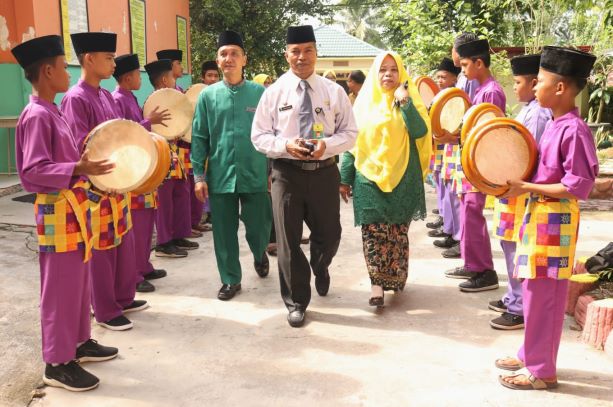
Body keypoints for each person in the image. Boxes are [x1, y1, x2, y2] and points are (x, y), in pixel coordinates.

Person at [13, 34, 118, 392]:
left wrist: (82, 169)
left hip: (73, 209)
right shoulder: (36, 115)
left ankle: (78, 343)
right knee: (59, 289)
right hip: (56, 212)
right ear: (46, 71)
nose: (68, 74)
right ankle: (56, 362)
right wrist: (79, 168)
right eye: (62, 67)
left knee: (78, 282)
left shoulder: (52, 109)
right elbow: (32, 171)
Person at [497, 46, 598, 391]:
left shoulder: (574, 129)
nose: (534, 87)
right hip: (540, 215)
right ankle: (531, 354)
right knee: (533, 289)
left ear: (560, 88)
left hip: (555, 220)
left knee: (545, 295)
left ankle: (542, 371)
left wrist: (525, 185)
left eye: (539, 81)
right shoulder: (556, 124)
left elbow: (577, 185)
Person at [251, 25, 357, 327]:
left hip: (325, 174)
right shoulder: (273, 94)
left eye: (307, 50)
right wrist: (285, 144)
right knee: (288, 242)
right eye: (295, 51)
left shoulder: (333, 91)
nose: (301, 57)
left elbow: (350, 133)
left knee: (330, 234)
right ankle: (297, 301)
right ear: (286, 55)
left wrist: (327, 145)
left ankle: (321, 266)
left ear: (315, 52)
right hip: (286, 174)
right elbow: (258, 136)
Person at [61, 32, 146, 331]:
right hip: (94, 185)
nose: (113, 63)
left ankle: (122, 297)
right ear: (89, 59)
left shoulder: (106, 95)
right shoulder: (75, 98)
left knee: (121, 239)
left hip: (115, 180)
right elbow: (80, 144)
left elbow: (119, 133)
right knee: (101, 248)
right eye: (108, 58)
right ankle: (106, 309)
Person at [340, 52, 431, 306]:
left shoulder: (409, 100)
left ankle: (394, 278)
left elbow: (420, 131)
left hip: (403, 177)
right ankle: (376, 285)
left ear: (401, 73)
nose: (388, 74)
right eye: (382, 69)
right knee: (373, 231)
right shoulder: (363, 105)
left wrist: (405, 104)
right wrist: (344, 179)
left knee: (396, 233)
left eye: (393, 69)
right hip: (367, 176)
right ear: (374, 74)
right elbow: (351, 146)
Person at [191, 31, 271, 301]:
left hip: (256, 173)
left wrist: (272, 171)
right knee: (224, 232)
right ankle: (230, 279)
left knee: (259, 227)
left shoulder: (260, 93)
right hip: (221, 175)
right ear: (217, 59)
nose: (229, 58)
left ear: (244, 59)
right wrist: (199, 176)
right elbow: (200, 137)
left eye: (234, 53)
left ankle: (260, 252)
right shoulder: (207, 96)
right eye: (224, 54)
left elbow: (272, 133)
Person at [488, 54, 552, 330]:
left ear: (535, 82)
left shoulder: (538, 113)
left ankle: (520, 307)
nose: (513, 87)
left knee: (516, 248)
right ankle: (514, 296)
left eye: (517, 82)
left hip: (521, 190)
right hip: (513, 188)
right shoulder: (528, 108)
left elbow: (528, 156)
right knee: (509, 244)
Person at [443, 38, 506, 293]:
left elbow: (490, 132)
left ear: (479, 63)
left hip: (480, 160)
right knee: (467, 213)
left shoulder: (491, 91)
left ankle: (484, 270)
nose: (464, 70)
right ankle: (473, 263)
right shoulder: (481, 89)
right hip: (471, 158)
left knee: (472, 213)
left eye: (467, 65)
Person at [112, 53, 170, 293]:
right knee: (137, 224)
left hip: (142, 167)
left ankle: (144, 265)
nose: (140, 78)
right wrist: (149, 121)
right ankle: (134, 274)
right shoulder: (118, 99)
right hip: (131, 169)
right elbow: (125, 133)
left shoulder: (130, 97)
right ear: (127, 77)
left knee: (146, 220)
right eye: (137, 74)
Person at [145, 59, 200, 257]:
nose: (172, 80)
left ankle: (177, 234)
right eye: (169, 76)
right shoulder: (154, 101)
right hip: (162, 152)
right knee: (165, 199)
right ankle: (163, 242)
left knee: (180, 193)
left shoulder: (172, 97)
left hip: (175, 151)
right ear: (163, 80)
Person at [434, 33, 480, 259]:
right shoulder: (464, 78)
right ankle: (457, 237)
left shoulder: (472, 81)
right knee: (452, 193)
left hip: (464, 145)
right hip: (455, 142)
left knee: (466, 205)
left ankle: (465, 246)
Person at [157, 49, 202, 238]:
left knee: (183, 191)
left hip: (180, 148)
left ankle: (182, 230)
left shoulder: (181, 92)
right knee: (167, 197)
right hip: (167, 149)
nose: (181, 67)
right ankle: (167, 238)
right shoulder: (162, 97)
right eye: (178, 64)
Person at [429, 57, 462, 248]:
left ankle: (453, 231)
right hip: (440, 146)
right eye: (438, 77)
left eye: (444, 77)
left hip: (448, 146)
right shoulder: (440, 95)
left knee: (450, 191)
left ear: (454, 78)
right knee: (441, 185)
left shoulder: (455, 96)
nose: (440, 80)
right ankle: (446, 223)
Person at [198, 60, 220, 231]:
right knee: (202, 179)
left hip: (218, 148)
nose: (213, 79)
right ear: (202, 78)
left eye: (215, 76)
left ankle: (213, 213)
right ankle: (202, 215)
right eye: (209, 76)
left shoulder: (221, 95)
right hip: (203, 147)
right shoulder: (197, 96)